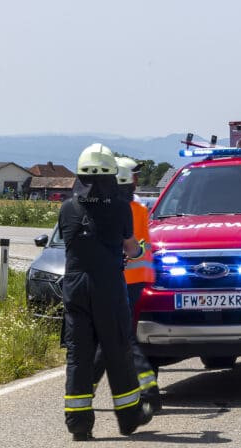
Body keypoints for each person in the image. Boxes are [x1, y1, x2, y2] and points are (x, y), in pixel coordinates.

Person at [59, 143, 153, 441]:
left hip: (74, 287)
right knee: (117, 350)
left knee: (79, 354)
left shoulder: (67, 207)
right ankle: (128, 417)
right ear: (112, 177)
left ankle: (79, 423)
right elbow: (130, 247)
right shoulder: (121, 208)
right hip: (108, 287)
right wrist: (138, 250)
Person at [92, 157, 161, 411]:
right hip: (137, 280)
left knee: (119, 337)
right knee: (113, 337)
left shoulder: (113, 209)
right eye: (134, 176)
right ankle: (88, 385)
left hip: (120, 281)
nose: (137, 180)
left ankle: (148, 388)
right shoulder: (139, 209)